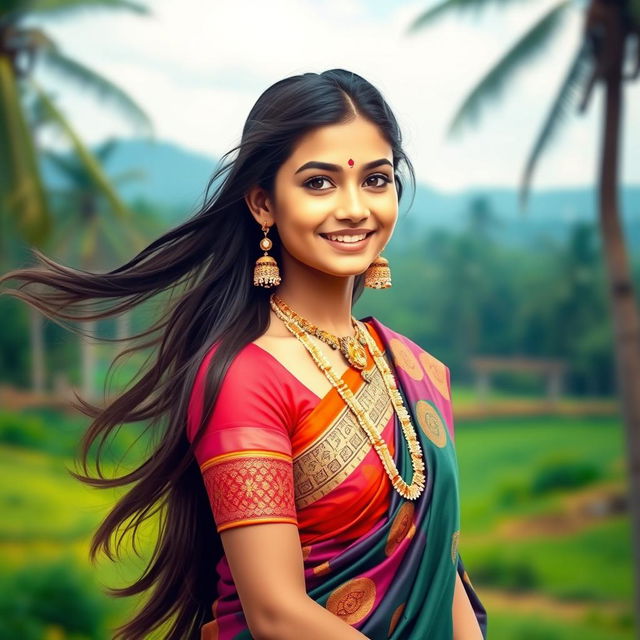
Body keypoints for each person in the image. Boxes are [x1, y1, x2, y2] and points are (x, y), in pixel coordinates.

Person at [1, 69, 487, 639]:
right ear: (263, 203)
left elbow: (440, 563)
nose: (355, 208)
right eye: (319, 183)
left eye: (376, 180)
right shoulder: (245, 378)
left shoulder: (414, 368)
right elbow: (277, 613)